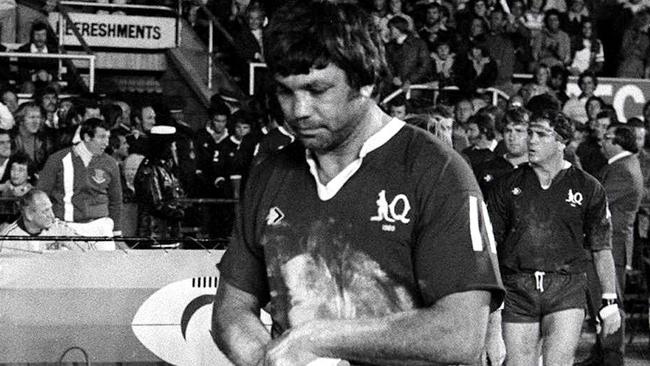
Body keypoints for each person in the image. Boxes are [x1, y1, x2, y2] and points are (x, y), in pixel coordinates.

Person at [212, 2, 504, 365]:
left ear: (366, 81)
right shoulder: (271, 172)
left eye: (318, 90)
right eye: (286, 92)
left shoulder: (436, 170)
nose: (299, 110)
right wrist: (266, 358)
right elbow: (231, 308)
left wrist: (319, 339)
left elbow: (461, 333)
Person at [486, 110, 621, 366]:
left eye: (541, 134)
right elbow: (491, 247)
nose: (531, 140)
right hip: (518, 287)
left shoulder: (588, 187)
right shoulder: (505, 185)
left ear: (561, 141)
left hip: (566, 286)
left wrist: (610, 300)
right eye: (530, 133)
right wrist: (491, 303)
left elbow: (601, 247)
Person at [577, 124, 644, 366]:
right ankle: (601, 353)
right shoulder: (621, 166)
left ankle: (612, 357)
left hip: (609, 248)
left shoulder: (623, 169)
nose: (601, 142)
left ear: (618, 142)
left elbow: (595, 202)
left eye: (606, 138)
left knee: (610, 304)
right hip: (608, 246)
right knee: (600, 302)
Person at [37, 118, 123, 237]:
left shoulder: (110, 163)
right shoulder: (57, 160)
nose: (106, 143)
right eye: (102, 137)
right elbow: (41, 195)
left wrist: (117, 232)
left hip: (100, 227)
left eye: (108, 137)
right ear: (87, 137)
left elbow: (116, 201)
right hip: (66, 227)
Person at [133, 125, 185, 247]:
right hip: (155, 234)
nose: (174, 148)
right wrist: (179, 212)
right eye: (171, 144)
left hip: (169, 233)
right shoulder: (150, 168)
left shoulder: (166, 166)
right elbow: (155, 203)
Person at [0, 190, 95, 252]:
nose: (52, 215)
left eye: (51, 209)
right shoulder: (8, 239)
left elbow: (89, 251)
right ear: (29, 214)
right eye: (45, 211)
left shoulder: (58, 228)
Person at [474, 107, 530, 195]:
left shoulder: (537, 170)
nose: (512, 137)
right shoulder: (485, 169)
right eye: (508, 131)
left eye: (519, 131)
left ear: (530, 135)